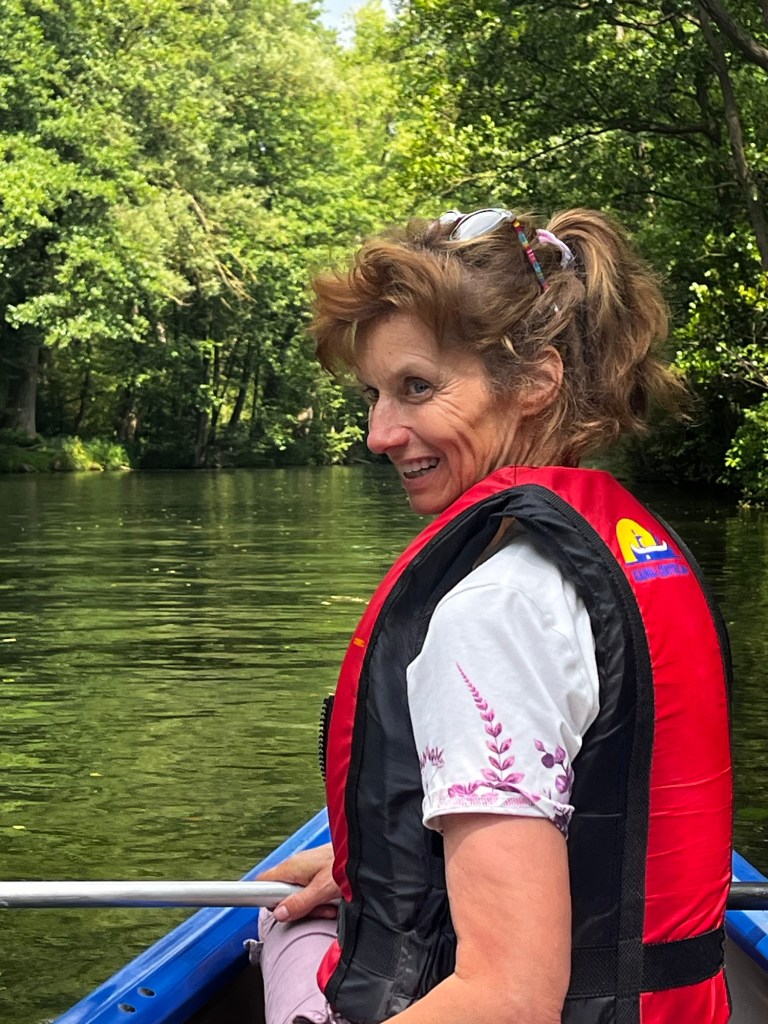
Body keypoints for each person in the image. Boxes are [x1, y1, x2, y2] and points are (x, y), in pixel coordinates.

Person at [255, 207, 733, 1024]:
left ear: (536, 383)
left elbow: (509, 1001)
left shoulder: (492, 614)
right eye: (374, 394)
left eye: (417, 388)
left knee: (284, 930)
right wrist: (378, 867)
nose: (379, 434)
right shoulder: (631, 557)